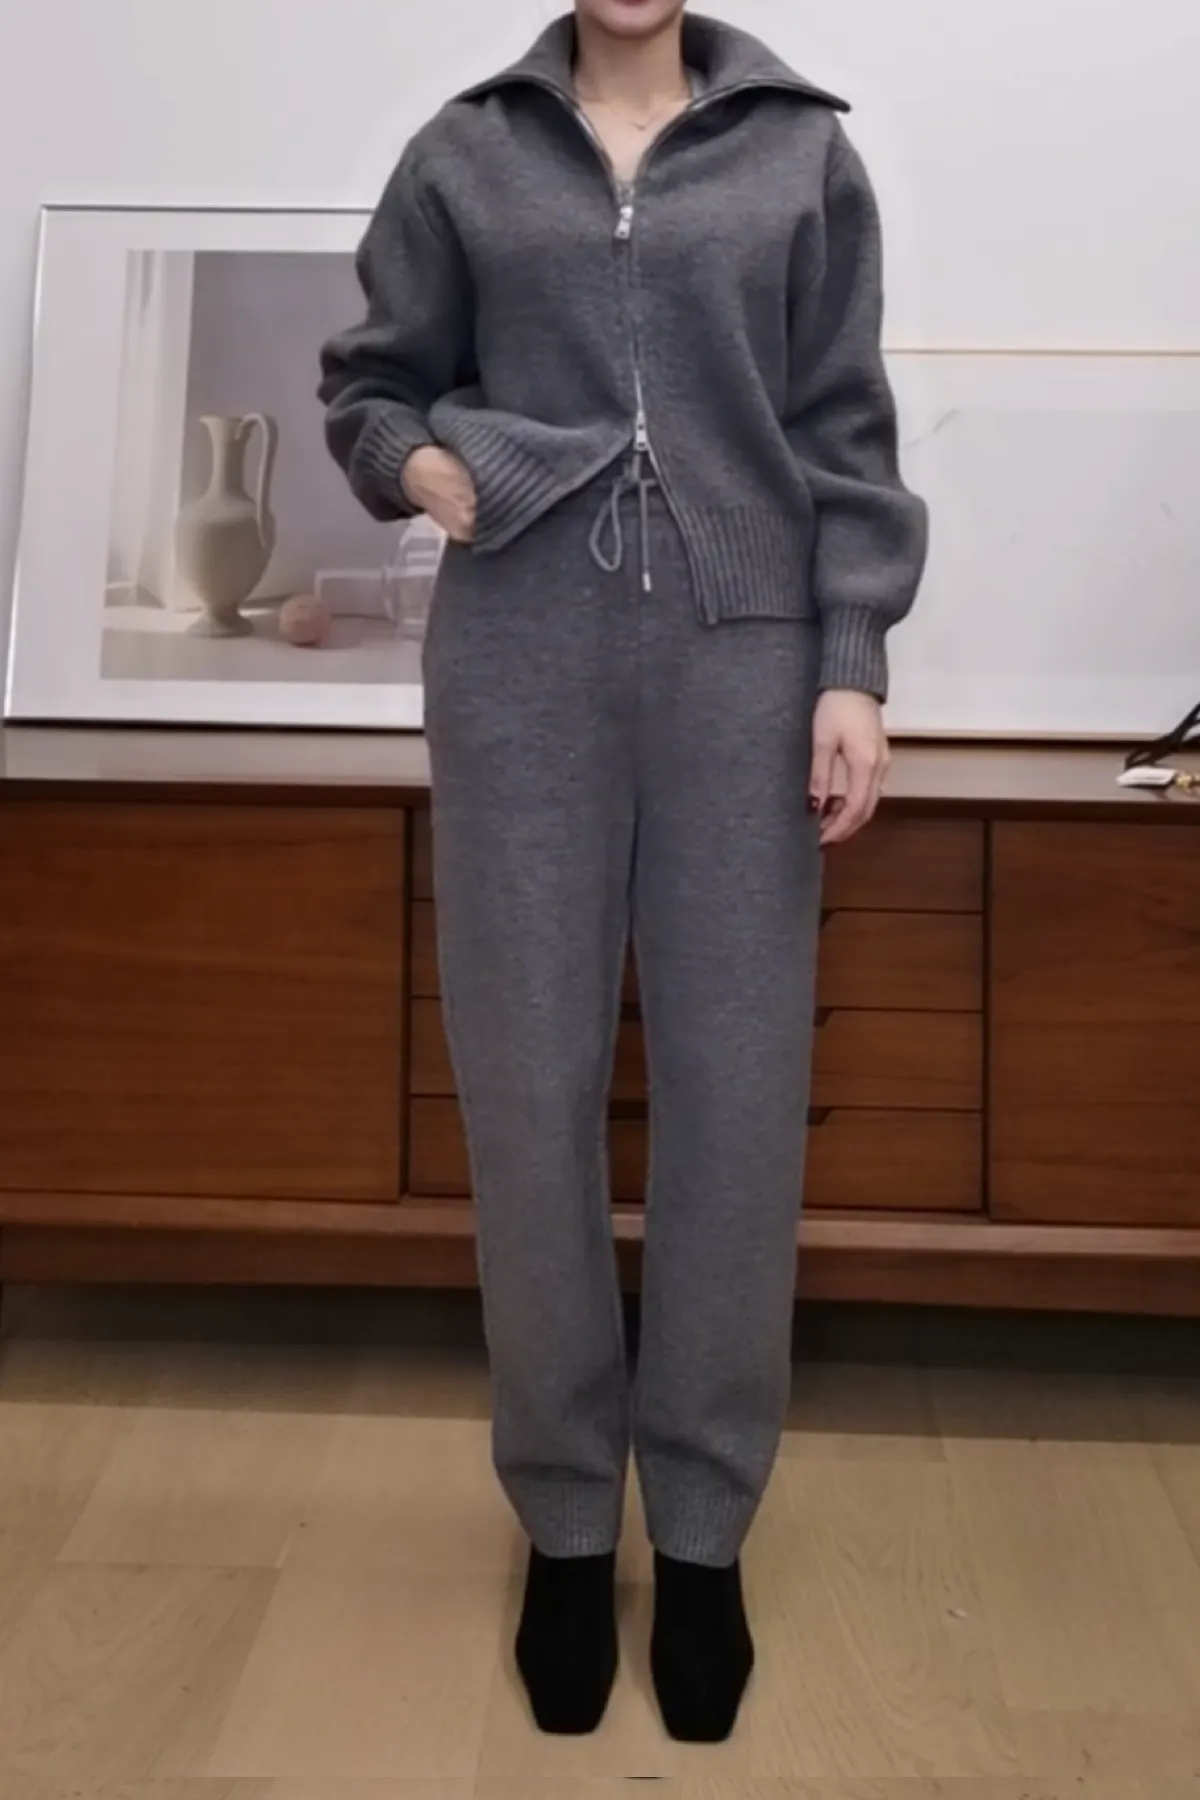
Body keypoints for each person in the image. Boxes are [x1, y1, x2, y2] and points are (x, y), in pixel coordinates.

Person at [320, 0, 927, 1745]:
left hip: (747, 666)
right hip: (520, 660)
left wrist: (851, 666)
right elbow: (367, 386)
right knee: (528, 1090)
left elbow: (845, 431)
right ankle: (570, 1524)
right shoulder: (463, 153)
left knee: (738, 1093)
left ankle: (710, 1530)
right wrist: (423, 465)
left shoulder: (803, 154)